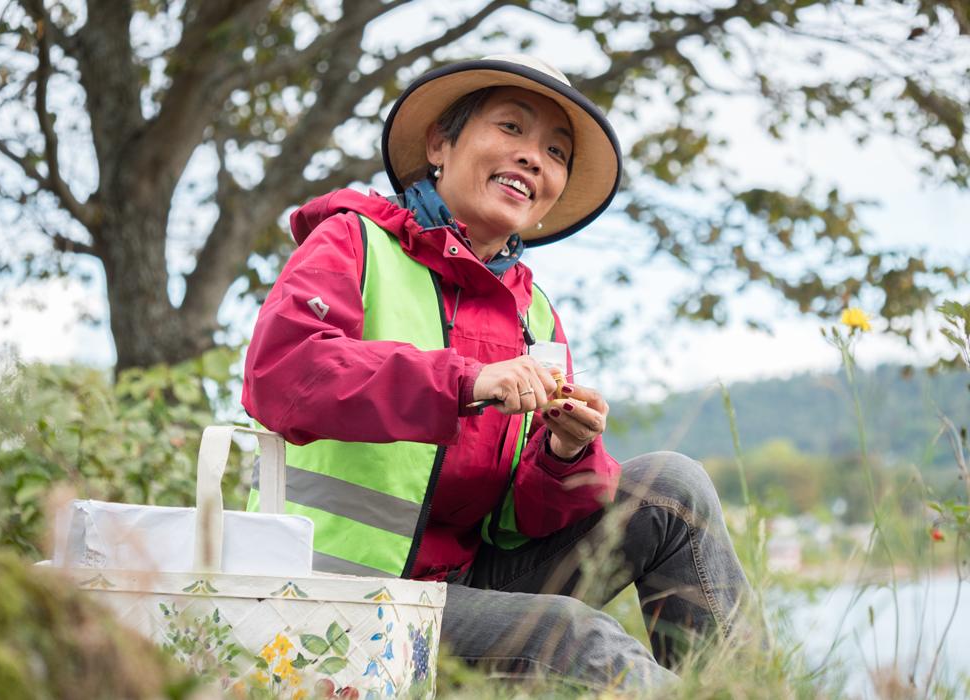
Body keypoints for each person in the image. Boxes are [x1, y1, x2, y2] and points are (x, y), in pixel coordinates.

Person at [242, 54, 753, 693]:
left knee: (673, 488)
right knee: (568, 634)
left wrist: (566, 452)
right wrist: (466, 381)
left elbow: (516, 523)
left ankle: (747, 689)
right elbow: (282, 374)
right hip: (340, 599)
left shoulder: (535, 312)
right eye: (511, 128)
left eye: (556, 152)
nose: (534, 157)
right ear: (439, 144)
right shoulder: (352, 243)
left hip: (467, 592)